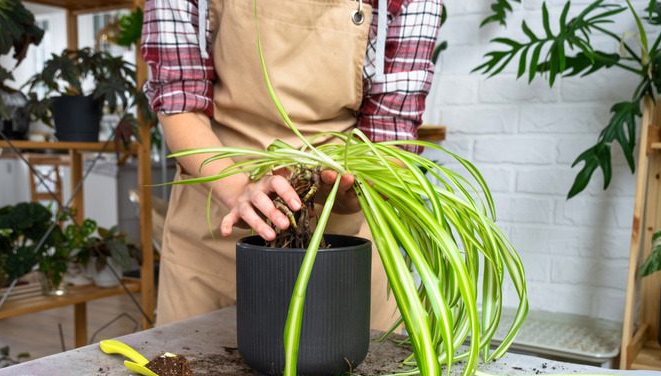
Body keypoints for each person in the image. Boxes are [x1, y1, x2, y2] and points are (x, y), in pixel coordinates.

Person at [141, 0, 442, 329]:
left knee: (361, 367)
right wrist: (237, 188)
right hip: (217, 212)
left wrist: (346, 191)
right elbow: (179, 101)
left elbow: (390, 134)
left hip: (344, 238)